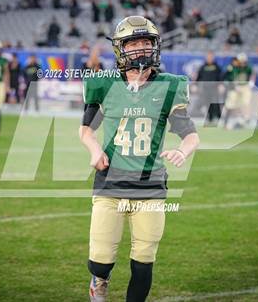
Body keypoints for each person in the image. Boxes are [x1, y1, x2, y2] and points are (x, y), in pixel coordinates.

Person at [79, 16, 199, 302]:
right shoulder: (105, 84)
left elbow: (190, 134)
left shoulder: (169, 86)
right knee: (100, 260)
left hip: (151, 186)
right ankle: (99, 279)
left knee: (144, 260)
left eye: (147, 42)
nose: (142, 48)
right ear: (121, 49)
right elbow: (85, 129)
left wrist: (183, 151)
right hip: (110, 183)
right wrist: (95, 150)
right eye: (134, 43)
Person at [196, 51, 222, 123]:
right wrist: (195, 86)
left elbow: (220, 77)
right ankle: (210, 118)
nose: (209, 58)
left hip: (214, 88)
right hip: (205, 88)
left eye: (211, 56)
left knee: (215, 103)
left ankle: (217, 117)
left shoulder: (217, 67)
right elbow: (198, 78)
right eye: (208, 56)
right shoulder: (203, 67)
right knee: (207, 103)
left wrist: (221, 85)